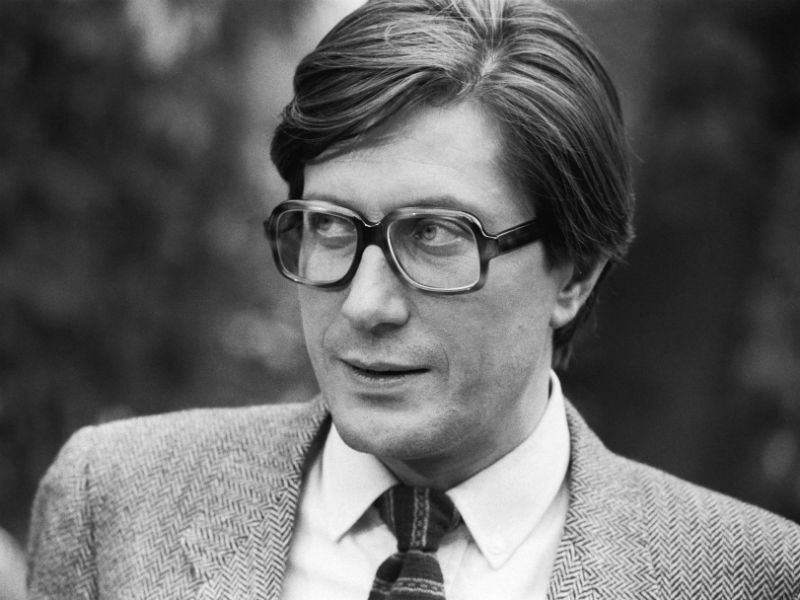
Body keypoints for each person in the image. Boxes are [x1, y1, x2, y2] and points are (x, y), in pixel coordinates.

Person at [27, 0, 800, 598]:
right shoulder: (114, 504)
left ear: (574, 275)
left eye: (434, 235)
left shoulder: (752, 576)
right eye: (331, 227)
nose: (365, 305)